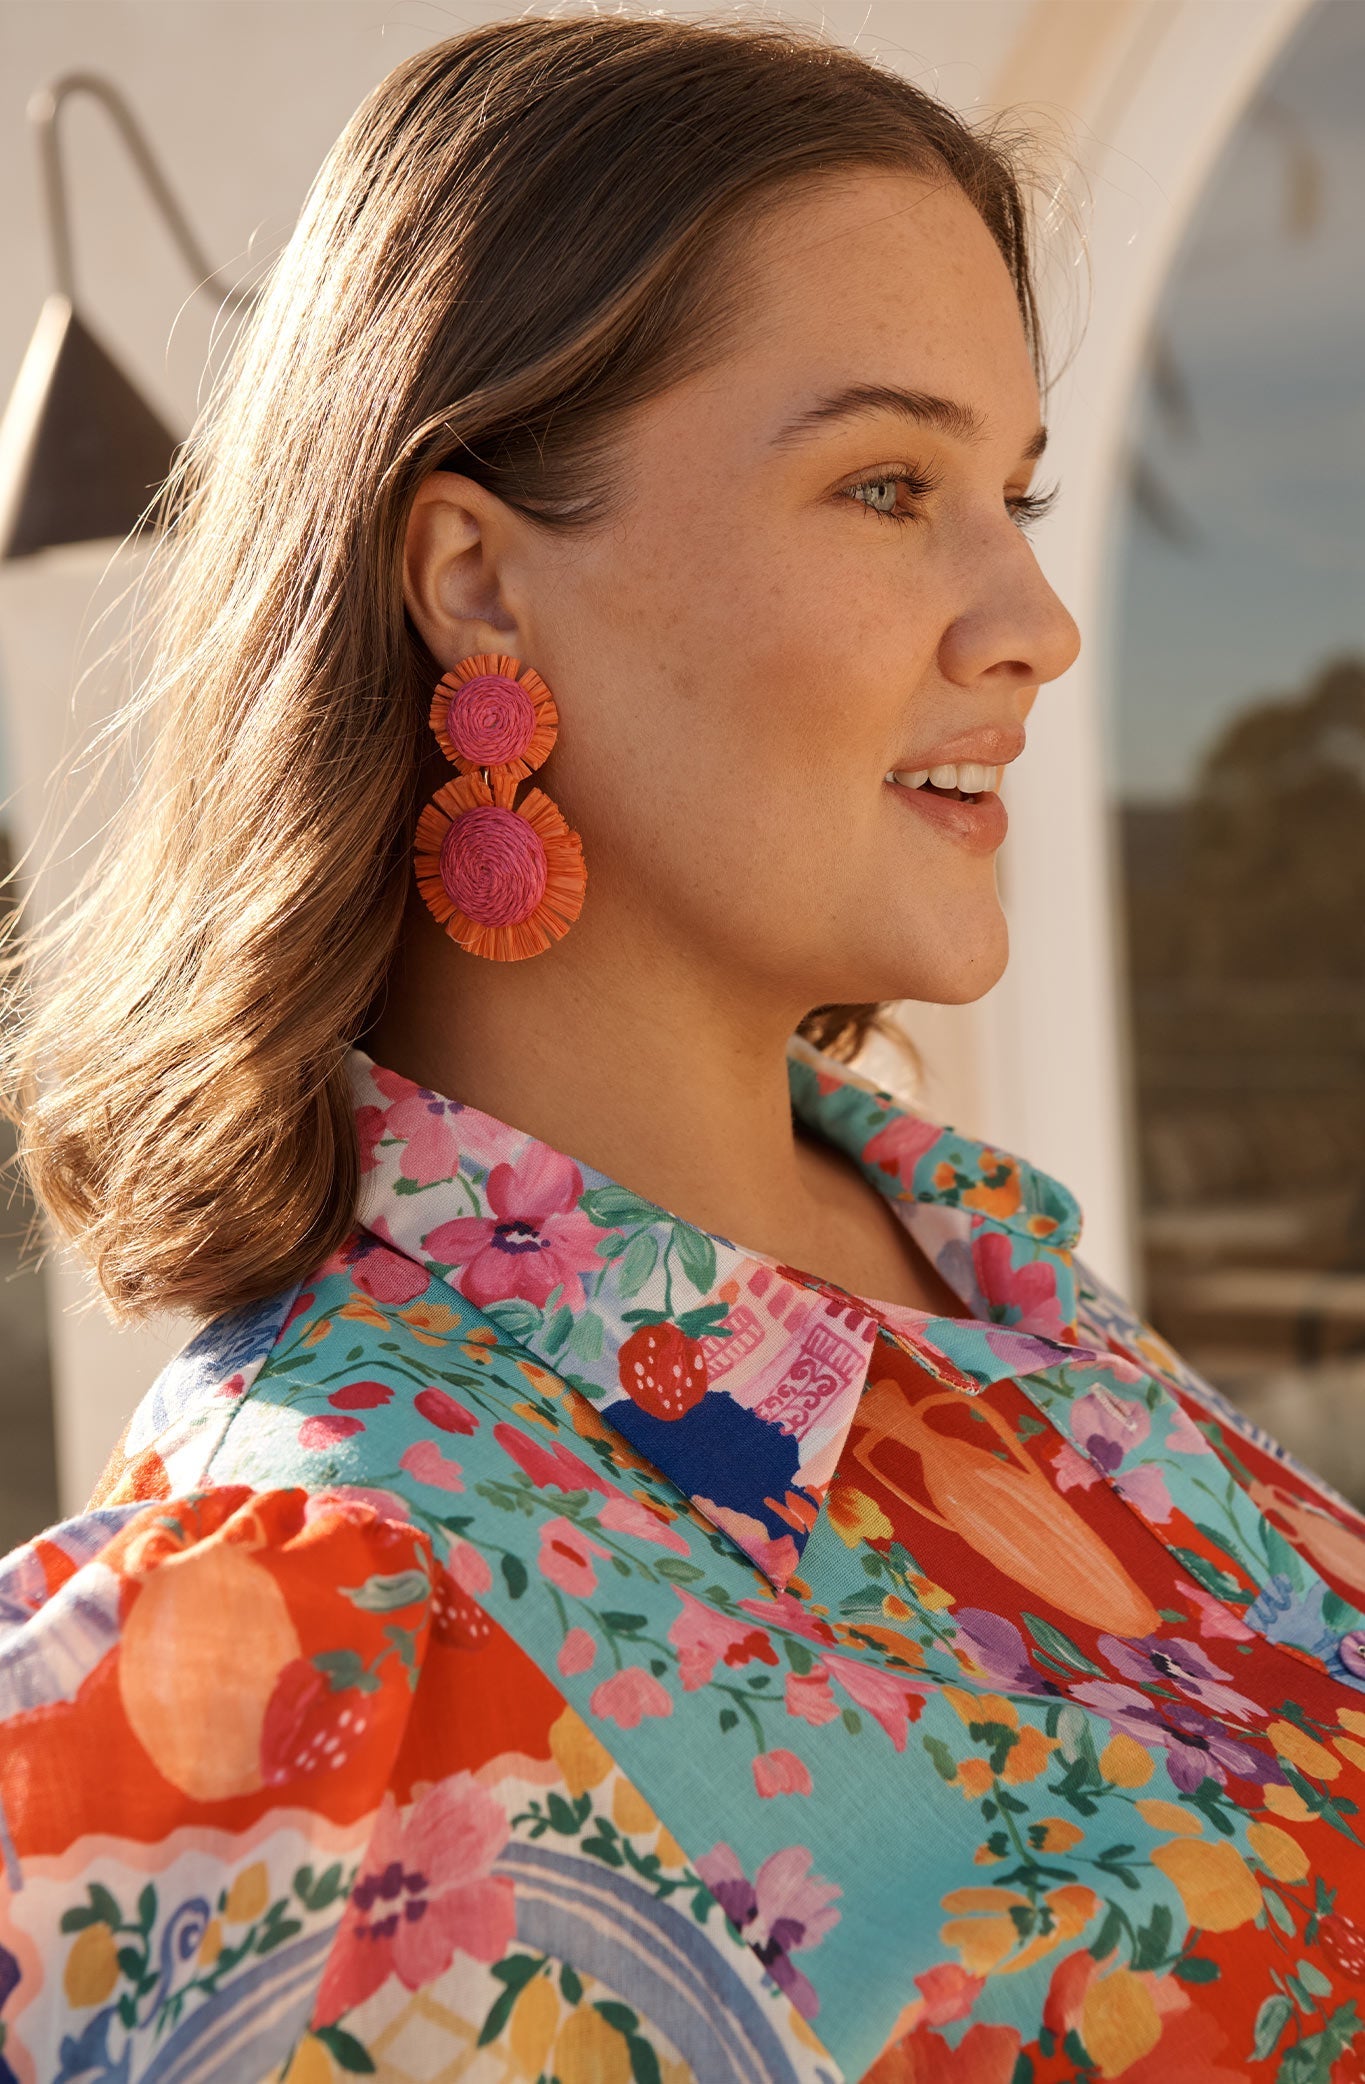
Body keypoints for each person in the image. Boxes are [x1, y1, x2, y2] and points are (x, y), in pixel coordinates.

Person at [3, 14, 1364, 2083]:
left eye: (1011, 493)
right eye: (889, 484)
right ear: (473, 579)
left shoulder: (986, 1280)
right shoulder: (309, 1641)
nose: (1033, 615)